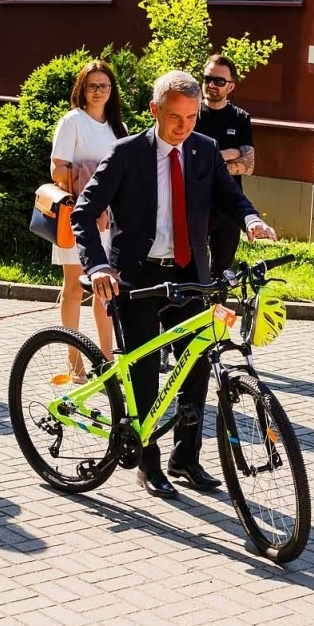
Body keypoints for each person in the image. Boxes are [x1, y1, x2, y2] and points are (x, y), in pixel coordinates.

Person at [72, 71, 276, 500]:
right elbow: (84, 212)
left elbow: (229, 195)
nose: (184, 126)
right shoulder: (126, 153)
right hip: (138, 276)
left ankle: (185, 459)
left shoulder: (203, 151)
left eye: (191, 116)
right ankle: (147, 464)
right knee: (146, 374)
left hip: (189, 273)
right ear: (154, 111)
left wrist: (252, 219)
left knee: (196, 368)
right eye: (174, 117)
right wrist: (99, 268)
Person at [50, 60, 128, 371]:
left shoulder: (117, 127)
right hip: (78, 216)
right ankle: (74, 359)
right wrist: (92, 181)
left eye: (104, 86)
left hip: (110, 218)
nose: (98, 91)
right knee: (73, 286)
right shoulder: (72, 122)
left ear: (112, 90)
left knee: (107, 289)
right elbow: (58, 168)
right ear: (82, 89)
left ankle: (107, 359)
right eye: (93, 86)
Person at [195, 55, 256, 276]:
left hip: (229, 206)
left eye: (219, 81)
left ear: (230, 86)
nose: (211, 85)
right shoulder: (192, 115)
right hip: (196, 205)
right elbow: (188, 162)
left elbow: (248, 165)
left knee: (221, 272)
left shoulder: (240, 118)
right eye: (207, 79)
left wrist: (209, 161)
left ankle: (217, 309)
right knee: (194, 269)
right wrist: (230, 153)